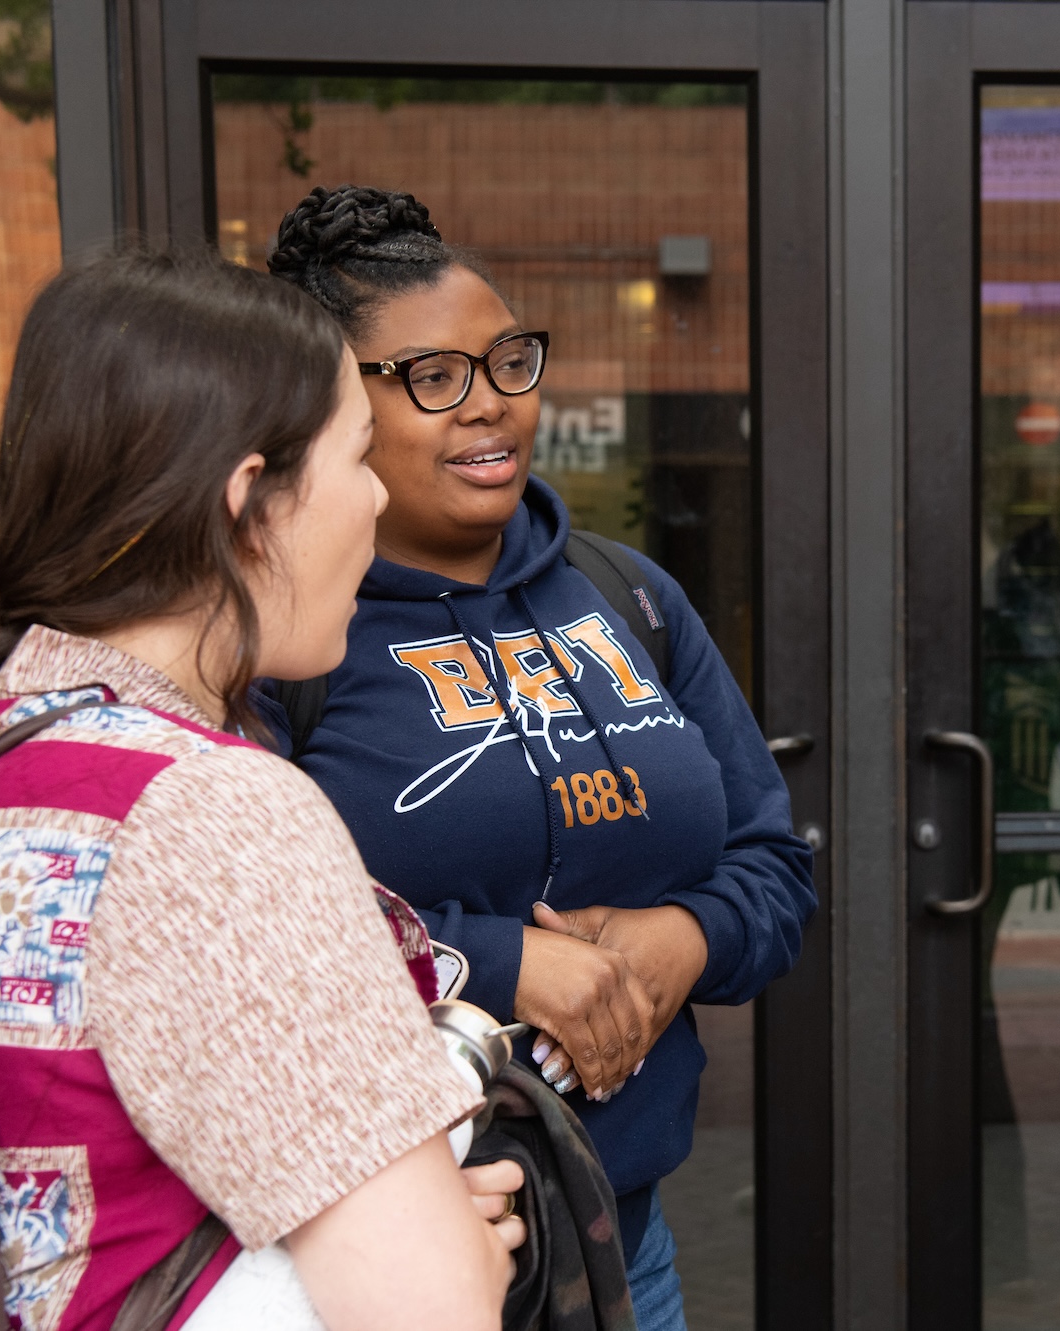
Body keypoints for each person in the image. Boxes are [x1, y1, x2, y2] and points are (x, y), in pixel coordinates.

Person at [0, 252, 525, 1329]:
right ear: (250, 504)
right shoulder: (211, 812)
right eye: (359, 456)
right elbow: (431, 1310)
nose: (377, 499)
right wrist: (459, 1249)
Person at [263, 185, 817, 1328]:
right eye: (434, 377)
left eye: (509, 361)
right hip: (382, 1263)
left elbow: (775, 868)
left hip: (625, 1243)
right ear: (335, 406)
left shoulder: (629, 596)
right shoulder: (286, 629)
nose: (491, 408)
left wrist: (683, 939)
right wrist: (502, 961)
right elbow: (248, 931)